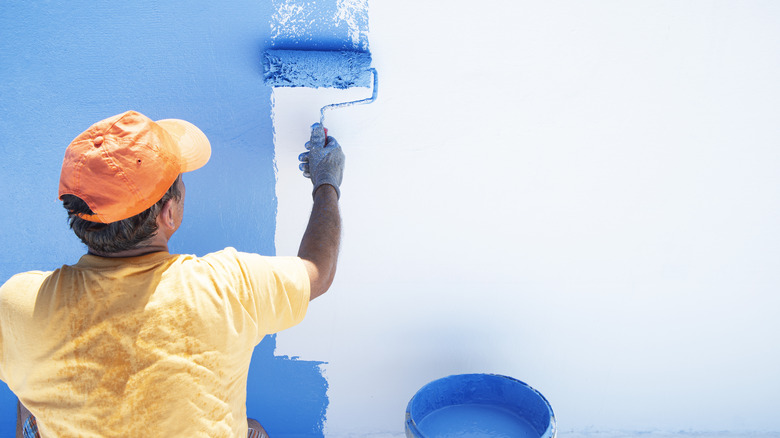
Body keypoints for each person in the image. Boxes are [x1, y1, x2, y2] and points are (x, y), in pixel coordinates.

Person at [0, 110, 345, 437]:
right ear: (168, 213)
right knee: (253, 429)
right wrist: (326, 182)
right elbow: (318, 270)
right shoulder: (228, 286)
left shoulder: (19, 305)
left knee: (28, 370)